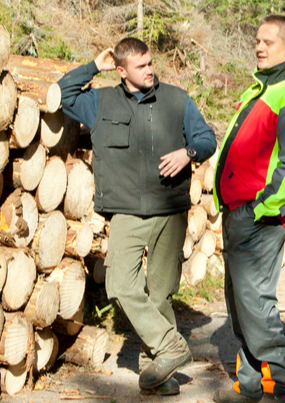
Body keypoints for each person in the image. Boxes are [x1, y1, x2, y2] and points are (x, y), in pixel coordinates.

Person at [59, 37, 217, 397]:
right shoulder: (100, 101)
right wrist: (92, 68)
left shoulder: (177, 100)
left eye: (150, 63)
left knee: (160, 293)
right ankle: (171, 345)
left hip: (171, 211)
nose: (150, 70)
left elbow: (207, 138)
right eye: (141, 66)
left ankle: (156, 371)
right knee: (119, 284)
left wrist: (187, 152)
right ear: (121, 70)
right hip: (128, 211)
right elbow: (63, 93)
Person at [209, 15, 285, 403]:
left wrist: (259, 208)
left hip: (258, 217)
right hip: (239, 212)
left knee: (255, 301)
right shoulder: (263, 88)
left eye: (268, 42)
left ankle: (281, 380)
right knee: (240, 303)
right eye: (257, 40)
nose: (259, 47)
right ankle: (252, 384)